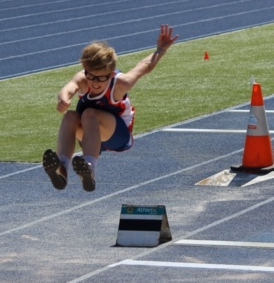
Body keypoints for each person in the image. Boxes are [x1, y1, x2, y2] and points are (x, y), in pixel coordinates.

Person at [42, 24, 178, 192]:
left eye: (101, 78)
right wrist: (63, 99)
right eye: (91, 76)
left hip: (117, 135)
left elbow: (144, 67)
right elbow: (69, 87)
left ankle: (90, 168)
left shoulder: (120, 84)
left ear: (111, 74)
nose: (95, 83)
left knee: (90, 114)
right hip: (90, 135)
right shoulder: (83, 79)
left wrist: (161, 49)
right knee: (70, 116)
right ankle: (62, 167)